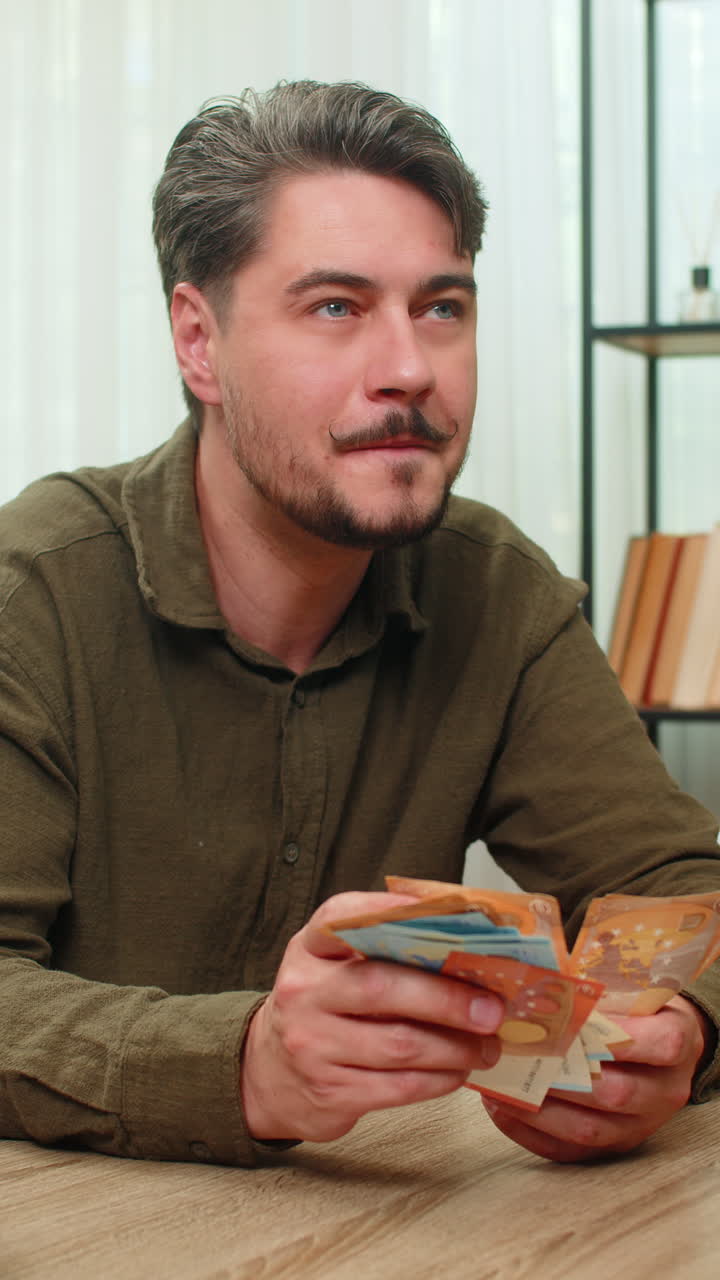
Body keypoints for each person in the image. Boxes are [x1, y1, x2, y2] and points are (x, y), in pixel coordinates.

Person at [0, 80, 718, 1170]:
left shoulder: (499, 592)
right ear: (200, 343)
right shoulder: (34, 590)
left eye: (443, 306)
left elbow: (684, 886)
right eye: (336, 306)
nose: (411, 369)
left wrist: (681, 1032)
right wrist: (244, 1061)